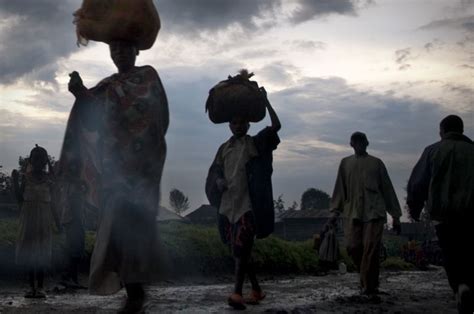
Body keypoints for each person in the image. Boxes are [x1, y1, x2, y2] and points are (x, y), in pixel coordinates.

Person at [61, 39, 169, 313]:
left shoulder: (148, 77)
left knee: (133, 228)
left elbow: (159, 118)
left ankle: (135, 294)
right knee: (116, 229)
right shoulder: (107, 87)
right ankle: (134, 292)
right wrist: (80, 93)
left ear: (137, 49)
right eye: (115, 48)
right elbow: (96, 114)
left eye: (125, 47)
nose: (120, 52)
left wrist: (142, 140)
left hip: (142, 172)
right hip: (114, 173)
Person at [206, 87, 281, 310]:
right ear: (230, 125)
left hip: (249, 206)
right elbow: (215, 171)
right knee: (239, 251)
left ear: (248, 125)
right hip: (229, 206)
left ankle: (237, 293)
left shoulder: (255, 143)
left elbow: (276, 126)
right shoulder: (224, 148)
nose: (238, 126)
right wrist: (218, 181)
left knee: (241, 249)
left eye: (242, 123)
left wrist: (266, 102)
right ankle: (256, 290)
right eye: (234, 123)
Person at [407, 115, 473, 314]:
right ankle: (468, 286)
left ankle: (460, 287)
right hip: (471, 213)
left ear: (443, 131)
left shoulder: (432, 151)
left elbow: (417, 183)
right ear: (461, 130)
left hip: (444, 215)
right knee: (469, 252)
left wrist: (414, 208)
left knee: (451, 253)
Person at [329, 132, 401, 296]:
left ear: (367, 143)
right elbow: (340, 189)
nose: (360, 145)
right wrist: (334, 212)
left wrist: (395, 216)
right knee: (353, 247)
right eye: (356, 142)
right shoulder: (345, 163)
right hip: (353, 212)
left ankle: (368, 286)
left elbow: (387, 189)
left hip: (374, 213)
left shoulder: (376, 163)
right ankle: (368, 278)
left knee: (370, 249)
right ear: (351, 144)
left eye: (362, 142)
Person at [11, 145, 60, 298]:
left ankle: (40, 287)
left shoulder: (50, 181)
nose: (38, 161)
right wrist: (14, 182)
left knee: (42, 252)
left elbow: (54, 204)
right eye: (35, 158)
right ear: (31, 160)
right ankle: (31, 287)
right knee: (29, 252)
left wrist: (58, 223)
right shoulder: (25, 178)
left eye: (41, 158)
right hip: (28, 219)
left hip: (44, 220)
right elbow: (20, 200)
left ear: (45, 161)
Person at [58, 160, 86, 288]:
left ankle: (71, 277)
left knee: (76, 249)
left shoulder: (73, 183)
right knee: (74, 250)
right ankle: (68, 277)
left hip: (74, 219)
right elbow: (73, 202)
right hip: (73, 220)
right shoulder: (72, 184)